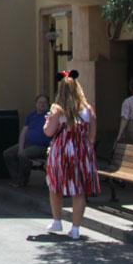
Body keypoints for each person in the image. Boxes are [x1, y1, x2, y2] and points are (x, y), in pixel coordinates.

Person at [44, 74, 99, 240]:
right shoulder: (88, 109)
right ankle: (75, 228)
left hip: (61, 151)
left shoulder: (58, 109)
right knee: (79, 189)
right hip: (81, 152)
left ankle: (57, 220)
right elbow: (92, 135)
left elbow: (48, 132)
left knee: (56, 185)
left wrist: (48, 121)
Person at [2, 94, 51, 187]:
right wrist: (20, 147)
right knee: (8, 154)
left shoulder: (51, 116)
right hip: (28, 144)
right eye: (40, 102)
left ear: (49, 104)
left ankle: (22, 181)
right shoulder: (31, 116)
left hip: (42, 146)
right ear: (36, 104)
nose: (42, 104)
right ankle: (16, 177)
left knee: (24, 155)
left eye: (45, 102)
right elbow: (24, 132)